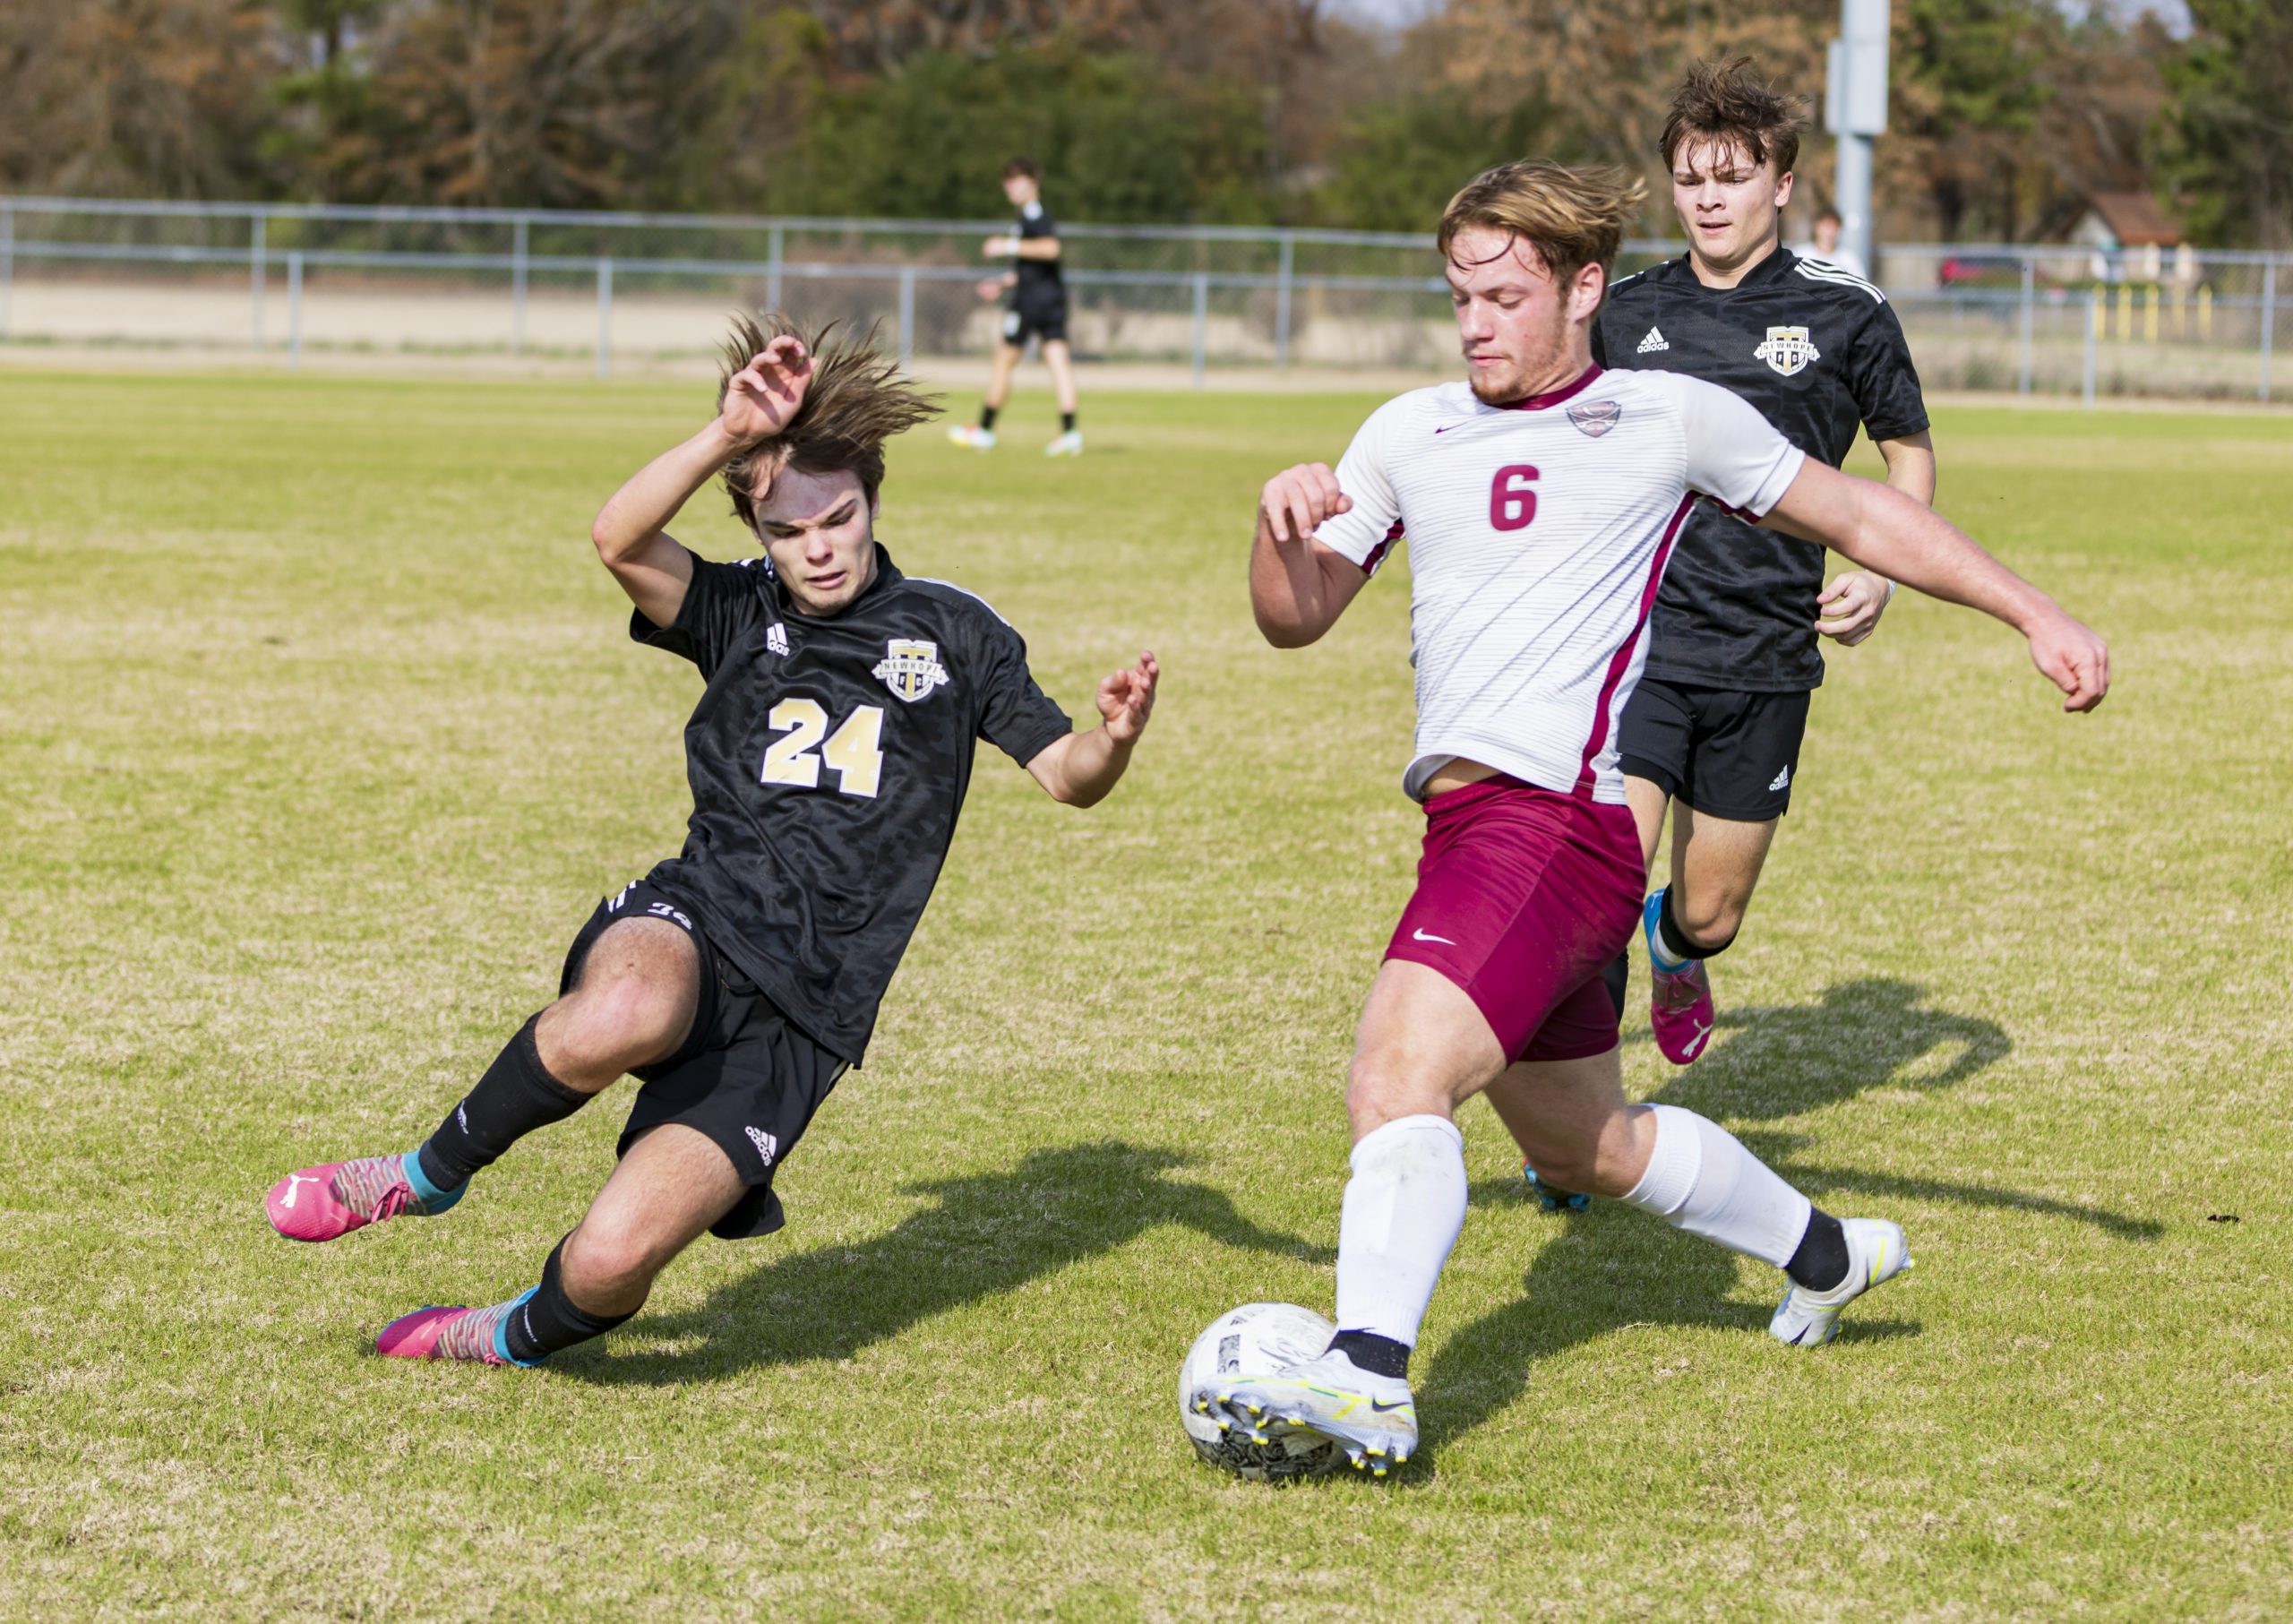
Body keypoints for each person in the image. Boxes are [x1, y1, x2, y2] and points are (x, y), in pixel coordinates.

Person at [1194, 159, 2106, 1474]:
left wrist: (2037, 611)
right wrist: (1278, 532)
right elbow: (1295, 620)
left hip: (1553, 827)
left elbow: (1862, 516)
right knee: (1593, 1142)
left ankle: (1370, 1377)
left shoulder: (1668, 417)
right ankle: (1830, 1255)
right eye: (1460, 297)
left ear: (1582, 288)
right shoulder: (1407, 432)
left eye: (1504, 296)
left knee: (1398, 1071)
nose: (1477, 325)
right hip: (1475, 833)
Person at [265, 315, 1157, 1366]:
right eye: (788, 530)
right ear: (757, 525)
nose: (817, 547)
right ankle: (422, 1175)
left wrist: (1112, 739)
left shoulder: (950, 631)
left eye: (839, 518)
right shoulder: (735, 610)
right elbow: (618, 539)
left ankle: (504, 1334)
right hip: (698, 917)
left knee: (606, 1264)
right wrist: (728, 431)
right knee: (625, 1009)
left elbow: (1066, 778)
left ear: (873, 498)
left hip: (808, 1014)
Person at [1538, 58, 1937, 1096]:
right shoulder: (1621, 313)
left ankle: (1672, 958)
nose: (1708, 197)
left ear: (1781, 185)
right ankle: (1575, 1129)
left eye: (1730, 176)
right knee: (1593, 893)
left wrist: (1879, 572)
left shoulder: (1847, 313)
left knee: (1706, 913)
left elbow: (1906, 451)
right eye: (1689, 177)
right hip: (1632, 651)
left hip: (1764, 653)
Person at [949, 158, 1082, 457]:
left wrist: (1006, 246)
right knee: (1058, 362)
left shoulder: (1033, 212)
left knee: (1003, 360)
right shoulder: (1028, 214)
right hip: (1050, 298)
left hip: (1032, 303)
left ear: (1032, 182)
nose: (1009, 187)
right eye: (1007, 181)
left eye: (1016, 180)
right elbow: (1035, 268)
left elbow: (1051, 248)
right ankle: (1070, 432)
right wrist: (1005, 282)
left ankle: (984, 430)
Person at [1791, 206, 1868, 280]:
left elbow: (1861, 288)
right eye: (1825, 225)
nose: (1829, 231)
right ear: (1816, 227)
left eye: (1833, 226)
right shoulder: (1801, 254)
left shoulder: (1849, 260)